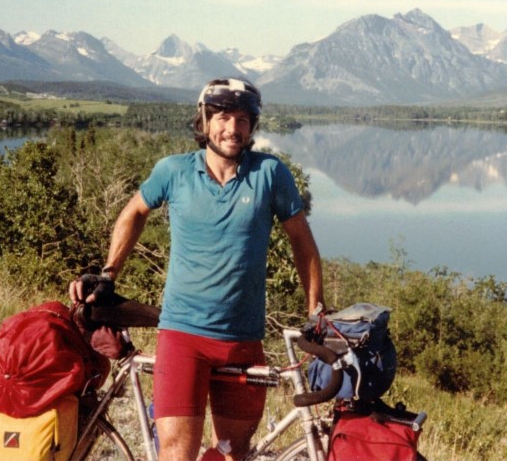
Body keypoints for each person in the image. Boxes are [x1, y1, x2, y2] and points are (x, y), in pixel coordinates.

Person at [71, 77, 324, 461]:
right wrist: (109, 274)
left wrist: (315, 309)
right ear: (204, 120)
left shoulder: (270, 173)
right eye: (223, 117)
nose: (232, 128)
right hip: (183, 336)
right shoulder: (174, 171)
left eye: (243, 119)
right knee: (176, 452)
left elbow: (302, 243)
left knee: (234, 452)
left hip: (242, 339)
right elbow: (134, 212)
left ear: (252, 127)